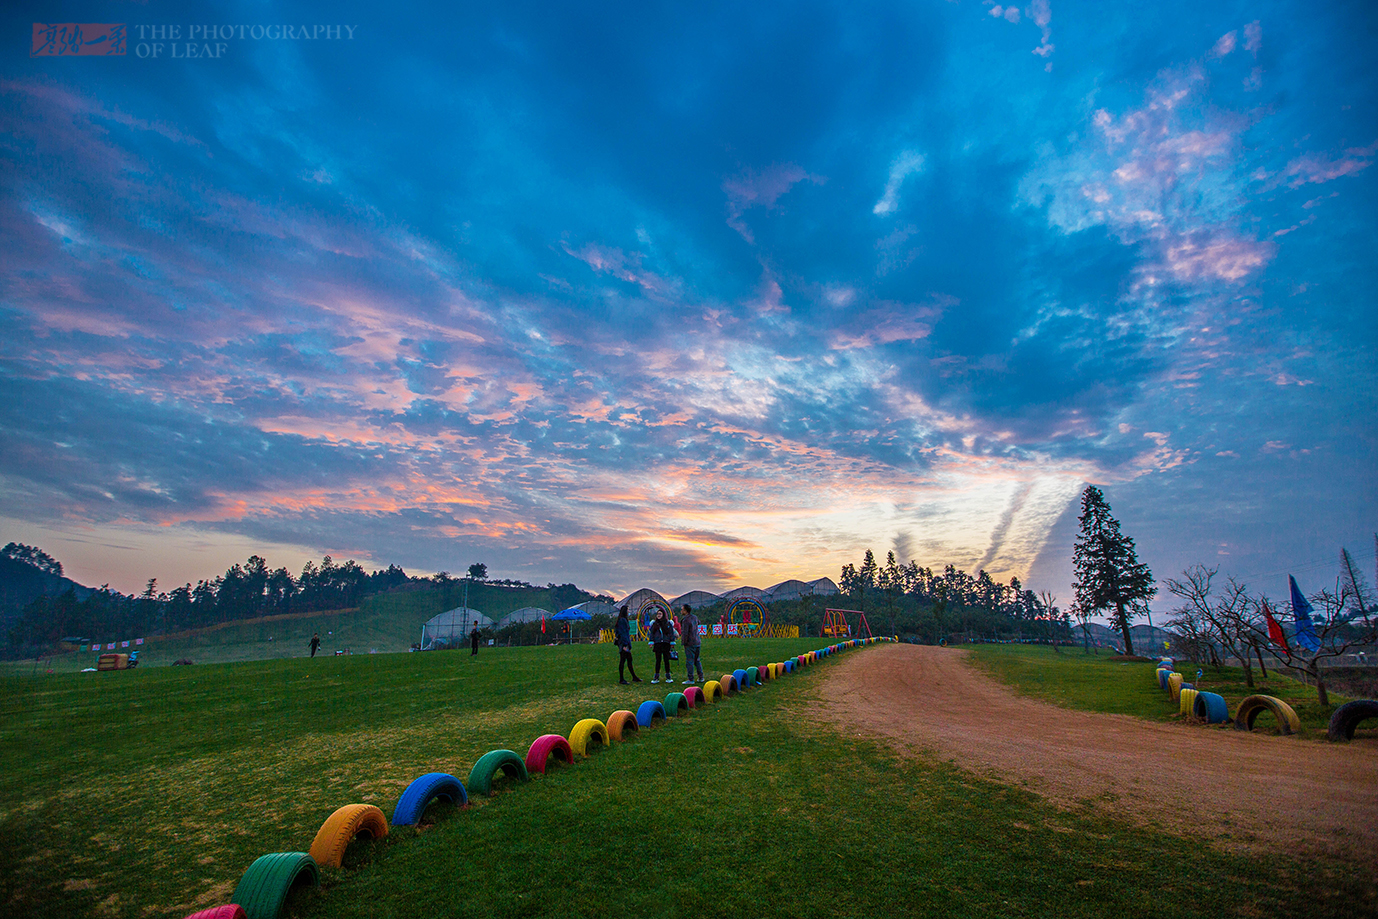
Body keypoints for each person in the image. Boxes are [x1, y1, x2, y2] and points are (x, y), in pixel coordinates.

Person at [614, 605, 641, 685]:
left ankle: (634, 677)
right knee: (624, 660)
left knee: (628, 659)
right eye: (628, 610)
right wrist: (625, 645)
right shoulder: (622, 620)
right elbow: (623, 633)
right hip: (624, 643)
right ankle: (622, 679)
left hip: (623, 643)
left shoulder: (621, 620)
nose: (628, 611)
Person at [649, 607, 675, 683]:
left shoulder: (668, 623)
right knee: (658, 660)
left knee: (666, 660)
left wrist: (672, 642)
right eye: (657, 614)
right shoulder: (654, 624)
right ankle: (656, 677)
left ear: (663, 614)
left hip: (666, 643)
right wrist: (651, 642)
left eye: (660, 614)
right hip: (658, 644)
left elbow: (671, 633)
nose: (658, 615)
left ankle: (668, 676)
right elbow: (652, 634)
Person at [680, 604, 703, 683]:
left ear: (686, 611)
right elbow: (698, 623)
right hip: (697, 641)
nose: (681, 611)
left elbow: (685, 632)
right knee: (697, 660)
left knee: (689, 661)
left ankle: (691, 679)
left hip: (690, 643)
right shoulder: (695, 617)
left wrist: (684, 642)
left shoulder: (685, 620)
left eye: (682, 609)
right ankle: (701, 677)